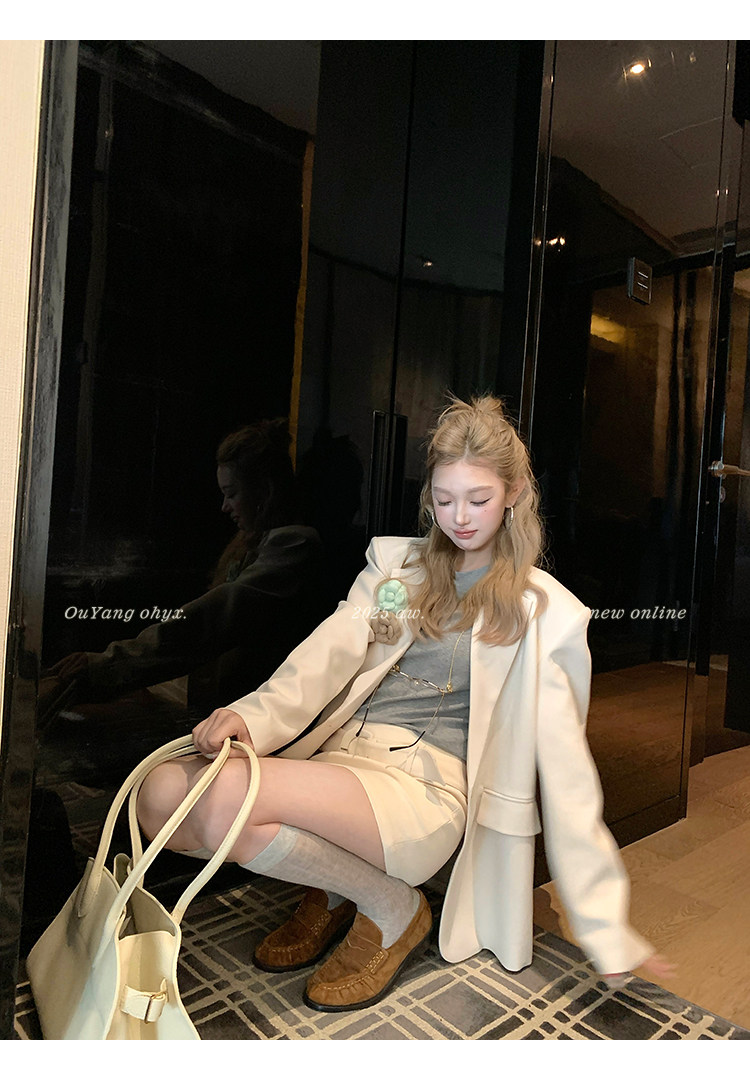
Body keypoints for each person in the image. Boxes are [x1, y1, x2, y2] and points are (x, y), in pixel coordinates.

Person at [136, 395, 673, 1013]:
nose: (459, 518)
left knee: (221, 800)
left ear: (515, 493)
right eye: (444, 500)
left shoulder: (545, 614)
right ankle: (347, 887)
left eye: (478, 500)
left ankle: (390, 907)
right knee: (159, 796)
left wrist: (605, 926)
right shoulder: (398, 570)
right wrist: (253, 714)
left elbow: (569, 774)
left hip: (424, 787)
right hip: (342, 764)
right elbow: (334, 646)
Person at [39, 419, 324, 722]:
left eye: (231, 493)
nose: (224, 506)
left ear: (264, 491)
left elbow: (209, 620)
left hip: (251, 716)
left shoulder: (295, 545)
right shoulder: (253, 543)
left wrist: (109, 663)